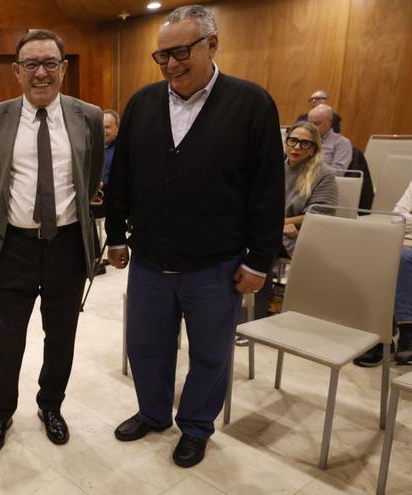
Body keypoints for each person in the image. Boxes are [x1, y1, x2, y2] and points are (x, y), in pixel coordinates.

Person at [105, 5, 283, 468]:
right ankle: (153, 412)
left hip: (216, 266)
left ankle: (197, 426)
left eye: (181, 51)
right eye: (161, 56)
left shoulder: (251, 103)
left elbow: (267, 190)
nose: (170, 64)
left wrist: (260, 259)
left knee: (209, 354)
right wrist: (116, 235)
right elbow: (121, 177)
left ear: (212, 44)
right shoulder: (143, 102)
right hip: (149, 263)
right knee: (145, 346)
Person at [0, 29, 104, 454]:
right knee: (8, 337)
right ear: (16, 71)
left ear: (64, 69)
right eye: (31, 64)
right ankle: (0, 412)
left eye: (50, 63)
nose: (41, 72)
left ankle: (51, 406)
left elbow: (90, 178)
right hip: (15, 246)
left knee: (61, 335)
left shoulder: (88, 116)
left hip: (66, 245)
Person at [252, 121, 338, 320]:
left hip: (300, 235)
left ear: (314, 149)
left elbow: (319, 214)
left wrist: (277, 222)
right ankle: (238, 308)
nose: (297, 147)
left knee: (261, 250)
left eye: (305, 143)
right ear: (285, 142)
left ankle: (255, 316)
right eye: (293, 141)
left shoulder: (324, 175)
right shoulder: (275, 168)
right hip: (273, 230)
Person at [354, 173, 412, 367]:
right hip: (411, 246)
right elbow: (398, 215)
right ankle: (389, 332)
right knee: (388, 256)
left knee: (401, 259)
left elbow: (407, 219)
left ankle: (397, 332)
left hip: (411, 246)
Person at [91, 109, 120, 275]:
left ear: (117, 128)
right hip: (93, 195)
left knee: (85, 213)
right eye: (100, 127)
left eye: (107, 127)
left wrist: (101, 184)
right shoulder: (92, 147)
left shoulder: (123, 150)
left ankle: (96, 260)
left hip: (112, 197)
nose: (103, 131)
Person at [307, 104, 352, 176]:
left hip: (323, 183)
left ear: (329, 122)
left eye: (316, 123)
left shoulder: (342, 143)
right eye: (309, 124)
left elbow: (338, 172)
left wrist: (310, 167)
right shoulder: (303, 139)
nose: (312, 128)